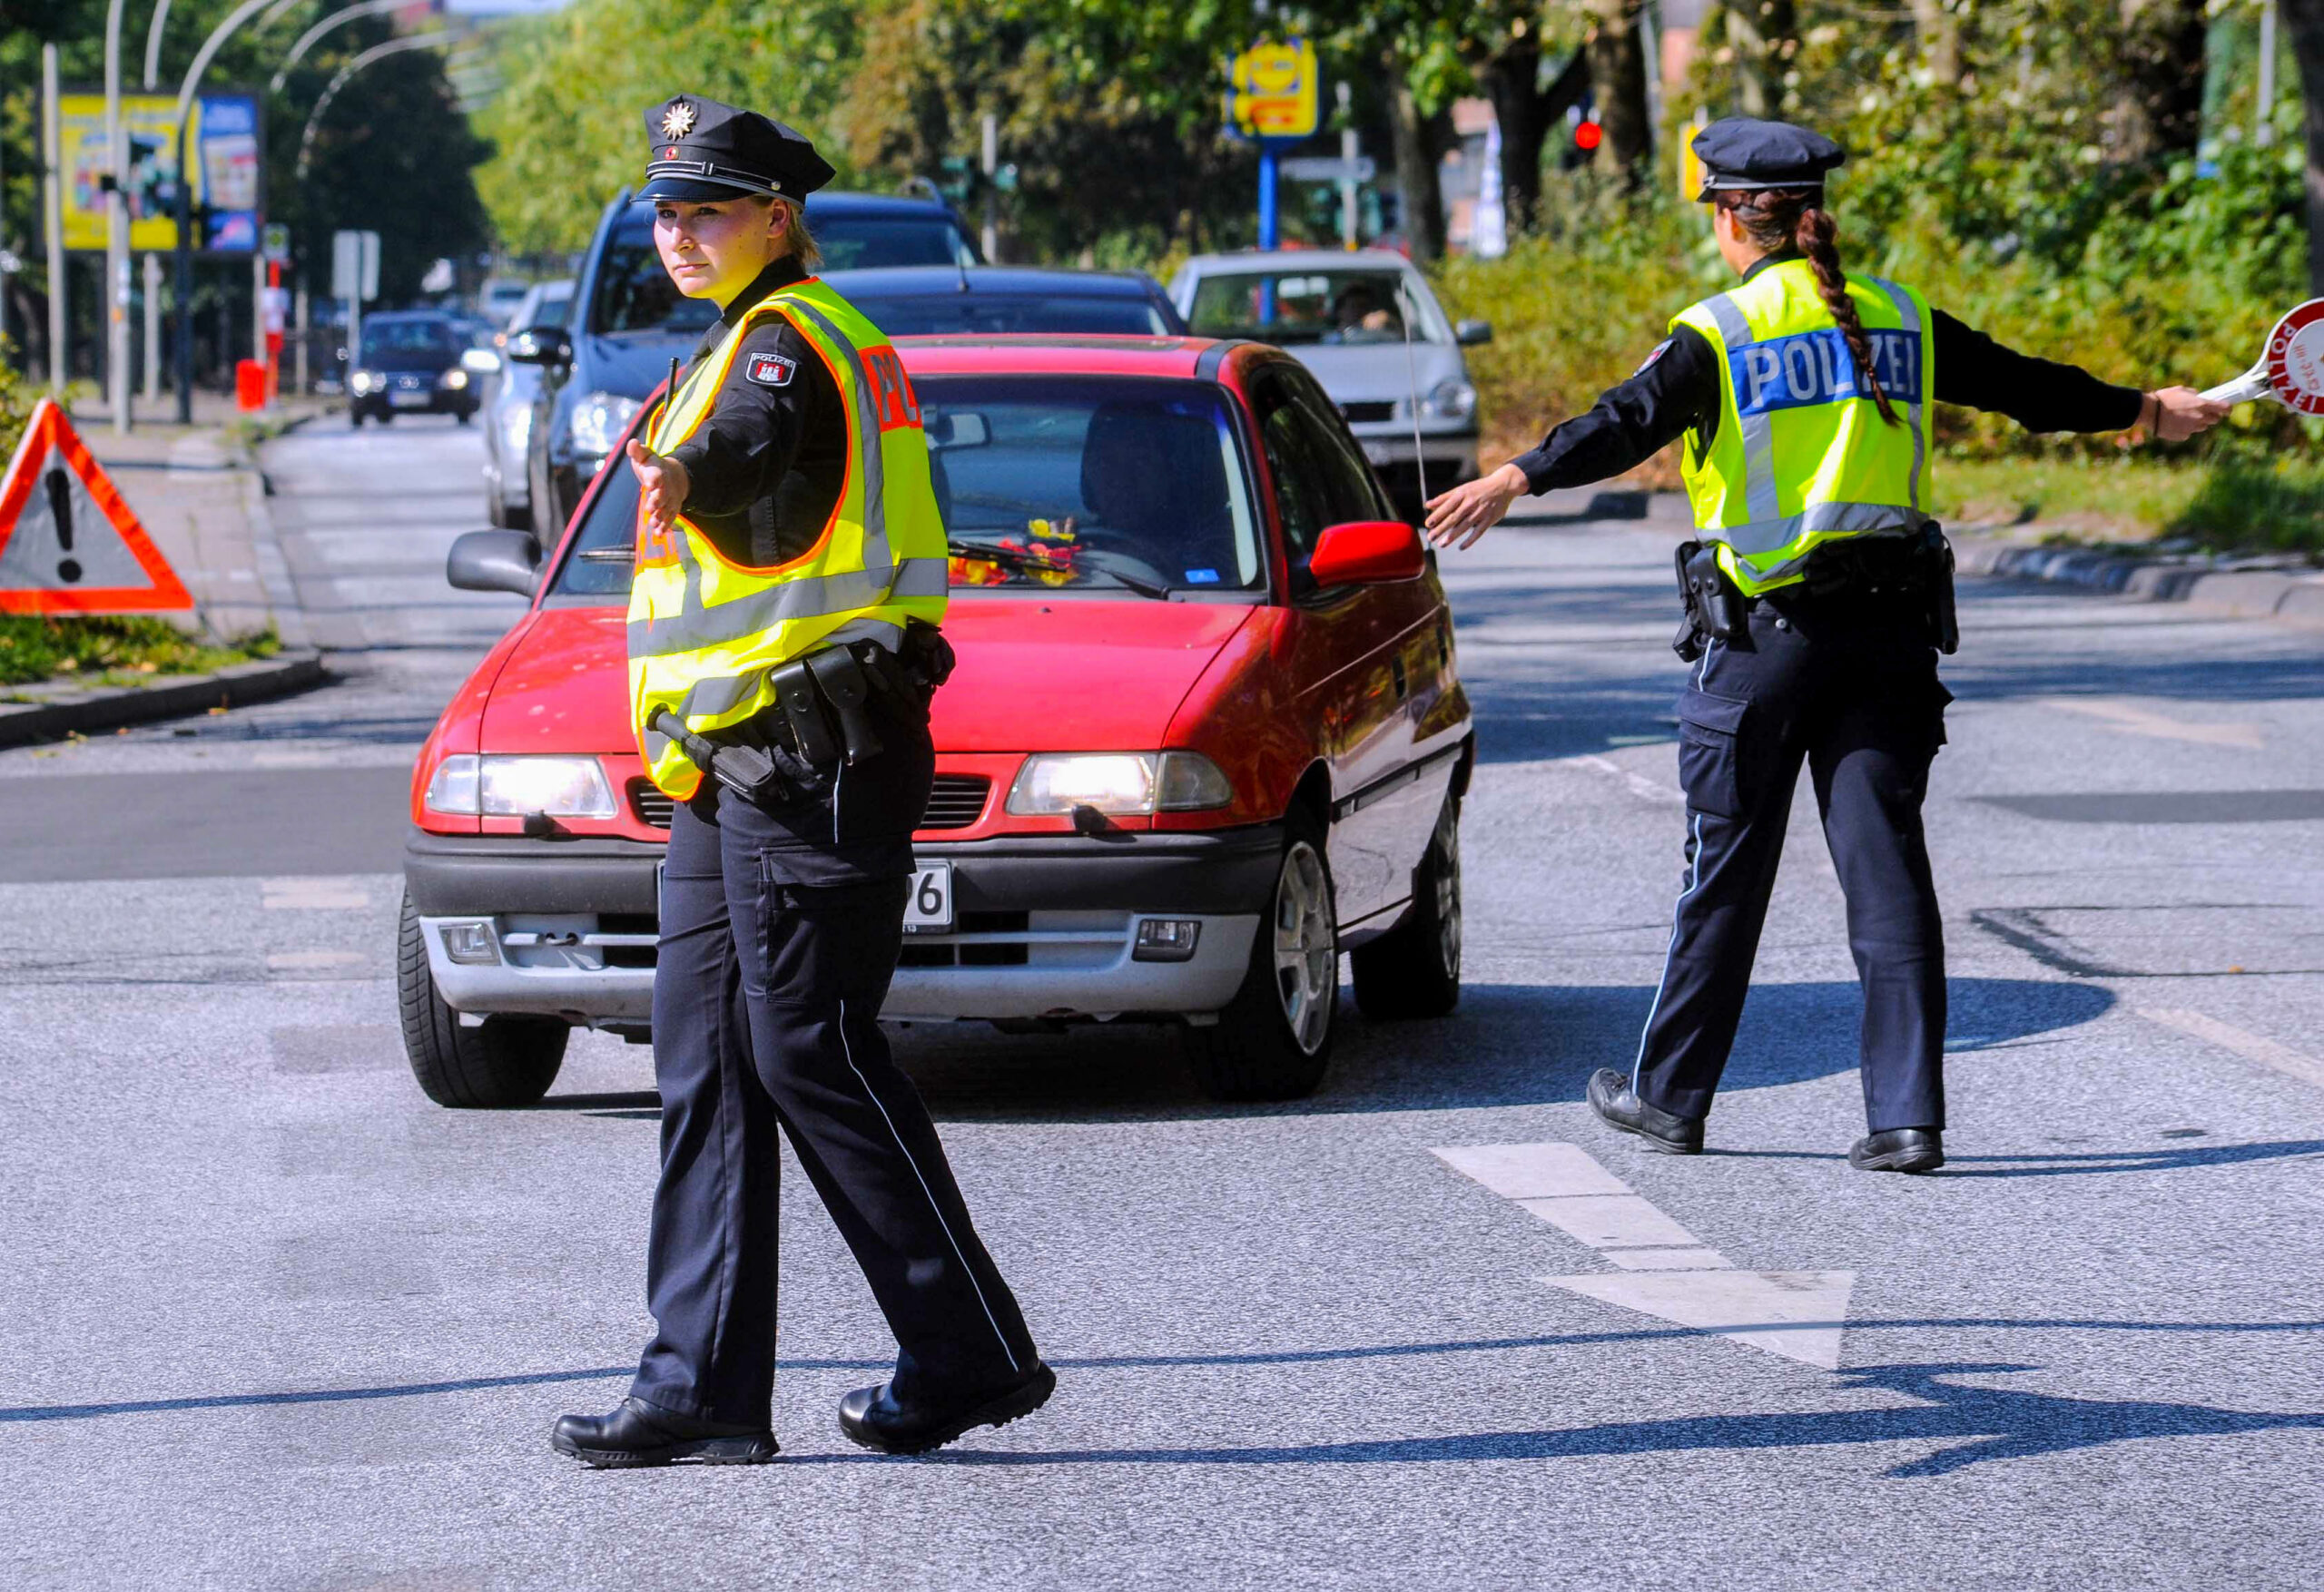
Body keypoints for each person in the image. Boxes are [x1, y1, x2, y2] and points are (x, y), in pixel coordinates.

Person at [1423, 117, 2226, 1175]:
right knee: (1887, 870)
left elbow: (1627, 420)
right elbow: (2026, 385)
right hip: (1889, 638)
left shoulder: (1721, 330)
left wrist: (1512, 477)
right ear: (1809, 214)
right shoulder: (1899, 316)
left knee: (1725, 868)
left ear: (1728, 217)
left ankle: (1670, 1098)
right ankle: (1906, 1119)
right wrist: (2147, 411)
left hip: (1768, 639)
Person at [551, 95, 1050, 1467]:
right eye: (667, 210)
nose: (680, 232)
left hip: (813, 750)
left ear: (778, 216)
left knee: (808, 1047)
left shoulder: (789, 347)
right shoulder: (739, 343)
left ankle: (968, 1350)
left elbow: (756, 455)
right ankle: (699, 1382)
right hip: (733, 765)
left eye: (708, 208)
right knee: (706, 1059)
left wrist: (685, 470)